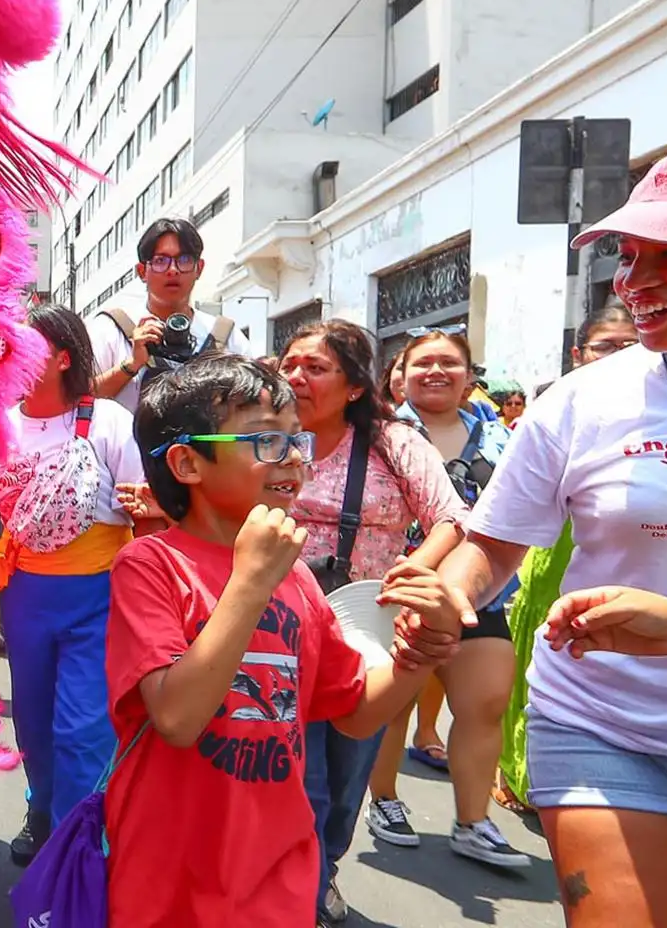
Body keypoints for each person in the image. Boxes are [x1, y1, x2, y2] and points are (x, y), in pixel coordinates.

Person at [436, 141, 667, 928]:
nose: (636, 282)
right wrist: (448, 599)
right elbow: (492, 546)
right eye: (629, 257)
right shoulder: (582, 400)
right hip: (606, 727)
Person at [104, 354, 463, 927]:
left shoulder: (296, 578)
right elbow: (175, 717)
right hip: (168, 867)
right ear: (187, 463)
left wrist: (419, 652)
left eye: (297, 439)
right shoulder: (150, 566)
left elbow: (353, 712)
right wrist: (249, 582)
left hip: (278, 868)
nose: (294, 457)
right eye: (265, 440)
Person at [274, 321, 468, 921]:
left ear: (355, 386)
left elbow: (450, 519)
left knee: (348, 766)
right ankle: (294, 887)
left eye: (315, 367)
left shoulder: (395, 442)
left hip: (364, 627)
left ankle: (323, 866)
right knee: (296, 772)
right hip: (276, 626)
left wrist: (409, 574)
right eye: (289, 365)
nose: (296, 378)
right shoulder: (262, 434)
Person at [0, 303, 143, 871]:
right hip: (24, 599)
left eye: (26, 348)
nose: (9, 358)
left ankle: (75, 849)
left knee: (83, 730)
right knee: (33, 722)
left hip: (98, 599)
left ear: (63, 357)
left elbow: (146, 514)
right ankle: (42, 810)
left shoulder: (108, 420)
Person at [390, 328, 529, 869]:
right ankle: (384, 801)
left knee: (487, 699)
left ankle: (473, 822)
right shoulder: (383, 435)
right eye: (423, 362)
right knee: (393, 704)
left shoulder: (501, 438)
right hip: (400, 590)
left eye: (450, 362)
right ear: (401, 375)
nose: (437, 371)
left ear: (471, 376)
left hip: (481, 596)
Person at [498, 306, 637, 811]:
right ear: (579, 355)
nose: (621, 356)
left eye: (631, 344)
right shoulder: (561, 410)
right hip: (554, 554)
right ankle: (518, 770)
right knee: (538, 653)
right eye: (607, 346)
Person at [88, 217, 257, 413]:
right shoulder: (110, 329)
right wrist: (132, 364)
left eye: (184, 260)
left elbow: (253, 400)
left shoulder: (225, 336)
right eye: (161, 261)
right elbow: (80, 399)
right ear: (142, 271)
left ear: (199, 268)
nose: (173, 270)